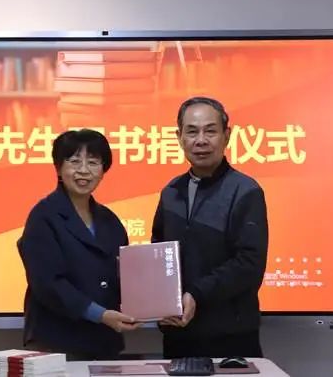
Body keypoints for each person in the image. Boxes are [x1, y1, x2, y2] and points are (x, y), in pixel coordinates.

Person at [151, 97, 269, 359]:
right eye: (192, 131)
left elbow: (249, 264)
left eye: (210, 131)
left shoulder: (245, 191)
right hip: (178, 335)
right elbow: (158, 251)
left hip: (231, 338)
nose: (201, 140)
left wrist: (196, 293)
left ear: (227, 136)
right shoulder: (171, 192)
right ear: (179, 137)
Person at [18, 129, 140, 360]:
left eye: (93, 162)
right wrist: (100, 314)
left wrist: (148, 305)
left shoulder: (109, 220)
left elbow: (123, 275)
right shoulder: (43, 216)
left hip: (104, 341)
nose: (84, 170)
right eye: (74, 161)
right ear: (58, 168)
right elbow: (48, 284)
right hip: (57, 343)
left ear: (103, 170)